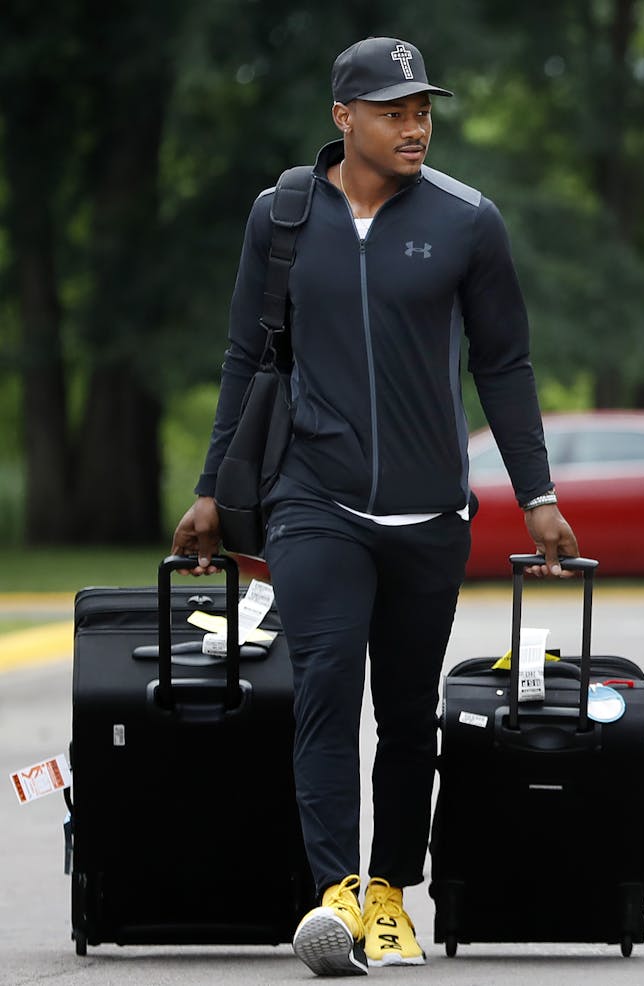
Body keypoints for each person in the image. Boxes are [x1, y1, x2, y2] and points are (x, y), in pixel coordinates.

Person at [171, 36, 579, 977]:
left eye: (423, 109)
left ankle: (391, 892)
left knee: (404, 711)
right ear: (342, 119)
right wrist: (209, 487)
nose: (415, 126)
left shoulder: (469, 221)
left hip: (432, 511)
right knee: (322, 689)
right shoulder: (282, 219)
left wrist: (539, 493)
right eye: (393, 110)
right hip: (313, 495)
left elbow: (504, 364)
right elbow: (246, 359)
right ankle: (333, 900)